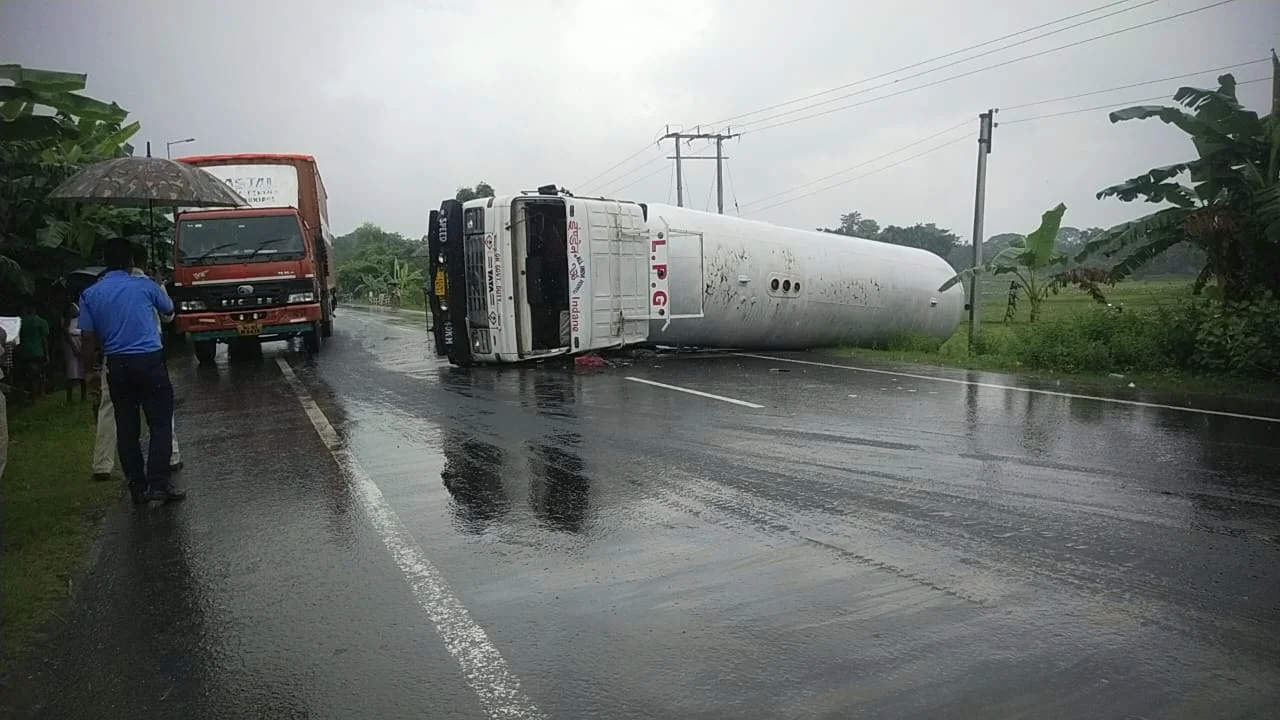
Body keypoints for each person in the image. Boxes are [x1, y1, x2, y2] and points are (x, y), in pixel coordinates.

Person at [79, 238, 184, 504]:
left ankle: (137, 487)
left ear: (105, 261)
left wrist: (89, 371)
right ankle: (159, 484)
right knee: (160, 424)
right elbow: (169, 310)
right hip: (149, 361)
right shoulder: (145, 285)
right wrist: (156, 282)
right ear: (131, 262)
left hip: (117, 364)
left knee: (126, 428)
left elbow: (88, 339)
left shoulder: (91, 293)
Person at [17, 303, 50, 402]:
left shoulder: (21, 322)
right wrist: (47, 354)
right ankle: (38, 394)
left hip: (24, 352)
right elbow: (45, 339)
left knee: (26, 375)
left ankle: (26, 396)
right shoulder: (41, 322)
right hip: (38, 351)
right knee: (38, 374)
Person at [62, 302, 86, 403]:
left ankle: (83, 397)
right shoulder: (67, 321)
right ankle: (69, 398)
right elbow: (66, 333)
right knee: (72, 371)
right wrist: (74, 347)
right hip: (71, 344)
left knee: (82, 371)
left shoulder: (81, 320)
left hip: (80, 341)